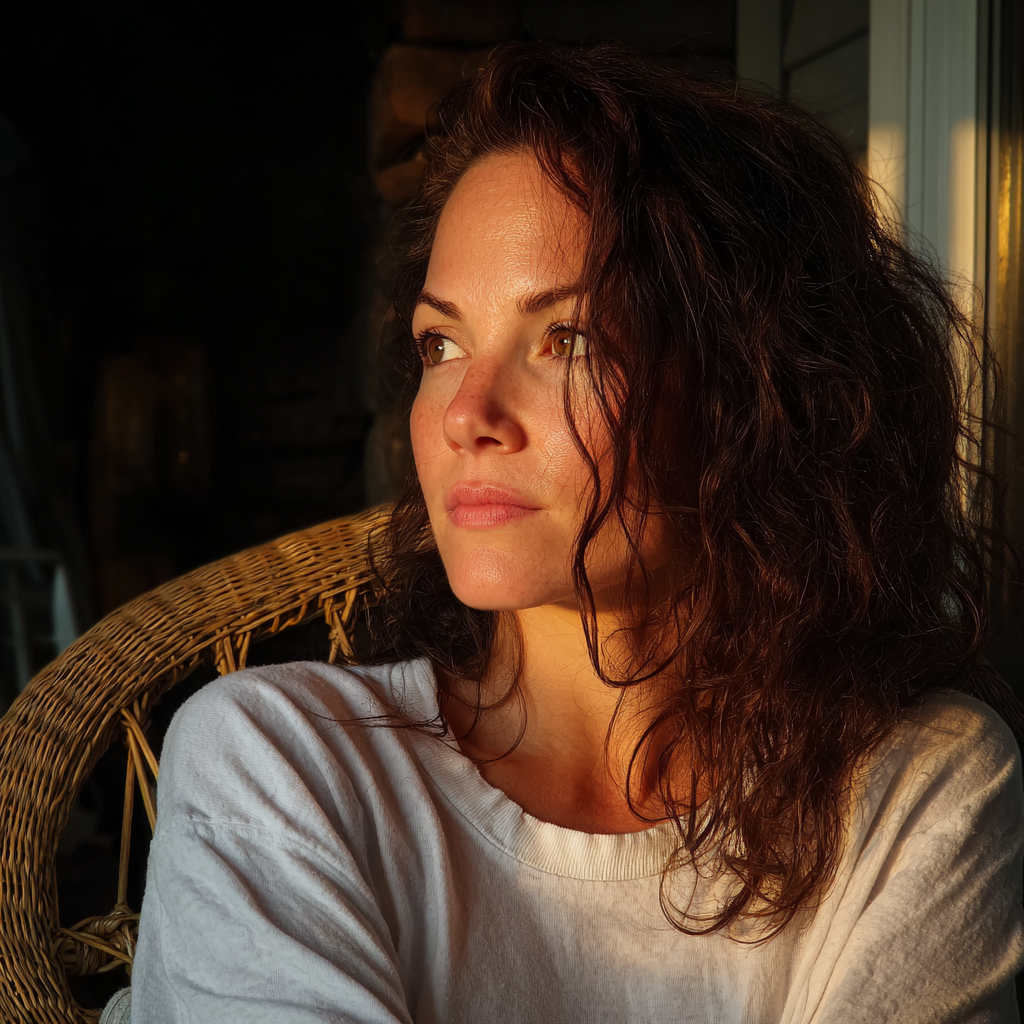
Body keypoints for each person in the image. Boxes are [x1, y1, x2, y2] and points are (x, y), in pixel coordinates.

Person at [130, 44, 1024, 1023]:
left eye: (568, 338)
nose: (468, 411)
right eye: (442, 342)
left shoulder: (915, 786)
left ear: (759, 393)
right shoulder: (278, 764)